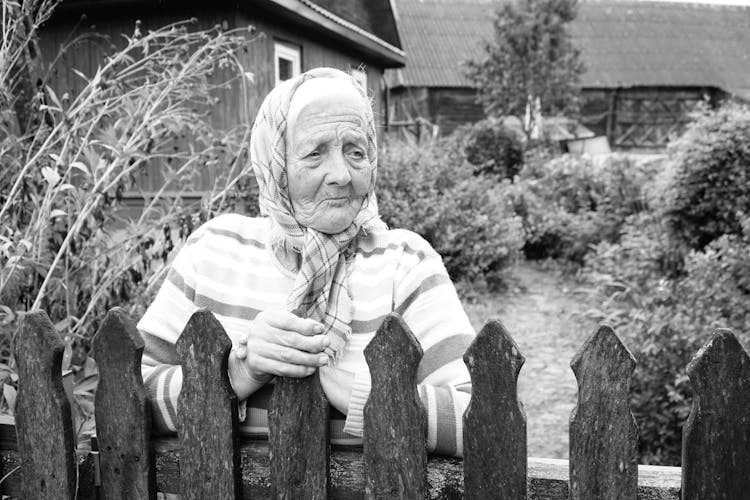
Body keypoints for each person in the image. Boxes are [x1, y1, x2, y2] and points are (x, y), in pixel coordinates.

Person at [137, 67, 475, 457]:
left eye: (356, 151)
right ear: (276, 163)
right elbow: (127, 395)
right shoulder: (214, 250)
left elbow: (482, 422)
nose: (342, 175)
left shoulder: (406, 263)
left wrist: (363, 394)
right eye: (315, 153)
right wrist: (236, 372)